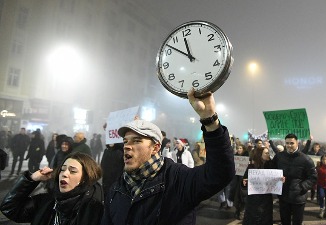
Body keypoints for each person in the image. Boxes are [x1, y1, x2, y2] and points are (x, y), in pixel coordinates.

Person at [100, 89, 235, 225]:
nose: (127, 146)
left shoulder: (178, 180)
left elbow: (220, 173)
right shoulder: (116, 189)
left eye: (136, 141)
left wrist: (209, 120)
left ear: (156, 148)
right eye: (125, 141)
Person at [0, 152, 104, 225]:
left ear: (85, 178)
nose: (64, 174)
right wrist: (32, 179)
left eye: (72, 171)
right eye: (62, 170)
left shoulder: (95, 209)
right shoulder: (47, 201)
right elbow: (9, 208)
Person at [272, 133, 317, 225]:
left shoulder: (305, 159)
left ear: (297, 143)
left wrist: (302, 187)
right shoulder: (279, 156)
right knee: (285, 221)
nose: (289, 145)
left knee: (297, 222)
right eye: (287, 143)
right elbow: (271, 170)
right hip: (283, 196)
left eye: (292, 143)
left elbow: (313, 177)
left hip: (298, 198)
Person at [242, 147, 275, 225]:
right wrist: (244, 182)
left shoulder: (271, 166)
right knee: (253, 219)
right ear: (260, 155)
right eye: (266, 153)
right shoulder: (251, 167)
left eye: (268, 153)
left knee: (265, 219)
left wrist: (280, 179)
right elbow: (243, 184)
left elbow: (275, 179)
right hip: (253, 200)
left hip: (266, 199)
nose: (268, 155)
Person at [231, 144, 248, 220]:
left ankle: (242, 212)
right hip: (236, 180)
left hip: (244, 179)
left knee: (243, 197)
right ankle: (238, 210)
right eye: (238, 148)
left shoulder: (247, 156)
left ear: (243, 149)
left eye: (240, 148)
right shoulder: (234, 157)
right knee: (236, 197)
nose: (239, 149)